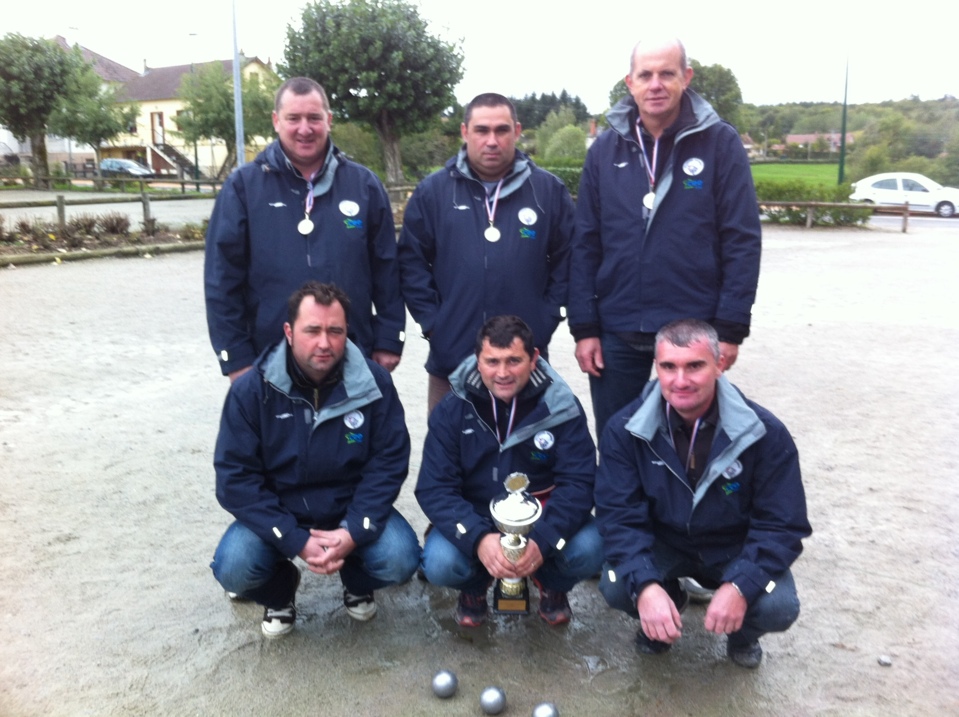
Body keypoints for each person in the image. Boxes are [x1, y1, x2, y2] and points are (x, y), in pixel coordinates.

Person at [569, 37, 761, 437]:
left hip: (692, 332)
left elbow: (741, 239)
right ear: (630, 82)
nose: (656, 84)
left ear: (686, 78)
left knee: (689, 448)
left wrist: (729, 327)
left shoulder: (721, 144)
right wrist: (585, 328)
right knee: (618, 445)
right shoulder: (604, 149)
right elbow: (586, 242)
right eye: (646, 75)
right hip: (617, 330)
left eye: (667, 74)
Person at [594, 319, 811, 667]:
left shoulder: (765, 432)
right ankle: (668, 599)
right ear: (657, 368)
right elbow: (618, 516)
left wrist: (741, 585)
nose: (680, 380)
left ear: (719, 364)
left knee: (778, 606)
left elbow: (783, 525)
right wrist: (647, 586)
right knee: (619, 586)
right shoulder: (624, 430)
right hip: (664, 543)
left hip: (733, 548)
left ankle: (743, 634)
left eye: (695, 365)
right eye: (669, 367)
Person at [210, 282, 419, 638]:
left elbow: (389, 461)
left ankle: (356, 580)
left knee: (401, 558)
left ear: (346, 332)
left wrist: (355, 530)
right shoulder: (251, 390)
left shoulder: (375, 384)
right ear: (289, 332)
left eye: (335, 331)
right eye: (313, 331)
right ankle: (279, 593)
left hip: (348, 508)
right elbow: (235, 478)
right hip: (280, 510)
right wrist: (293, 539)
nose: (325, 343)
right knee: (233, 568)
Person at [205, 77, 405, 384]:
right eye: (293, 118)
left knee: (353, 433)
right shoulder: (243, 187)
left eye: (314, 118)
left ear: (329, 120)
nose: (304, 128)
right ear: (276, 121)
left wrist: (390, 337)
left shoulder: (364, 185)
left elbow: (387, 269)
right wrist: (235, 357)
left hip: (352, 356)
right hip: (267, 359)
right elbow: (222, 279)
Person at [415, 315, 602, 627]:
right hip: (476, 515)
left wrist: (543, 541)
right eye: (492, 361)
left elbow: (580, 484)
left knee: (592, 547)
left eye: (514, 360)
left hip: (541, 517)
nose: (502, 373)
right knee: (440, 562)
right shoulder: (452, 408)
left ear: (534, 359)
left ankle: (552, 584)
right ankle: (473, 588)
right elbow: (434, 488)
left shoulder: (563, 407)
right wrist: (477, 539)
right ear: (477, 361)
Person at [399, 93, 575, 413]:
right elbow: (411, 262)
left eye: (501, 130)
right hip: (452, 358)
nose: (491, 140)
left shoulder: (548, 191)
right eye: (482, 130)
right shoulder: (433, 192)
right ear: (465, 132)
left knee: (527, 456)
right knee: (449, 456)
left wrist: (545, 319)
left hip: (525, 364)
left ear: (517, 131)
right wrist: (435, 325)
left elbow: (568, 261)